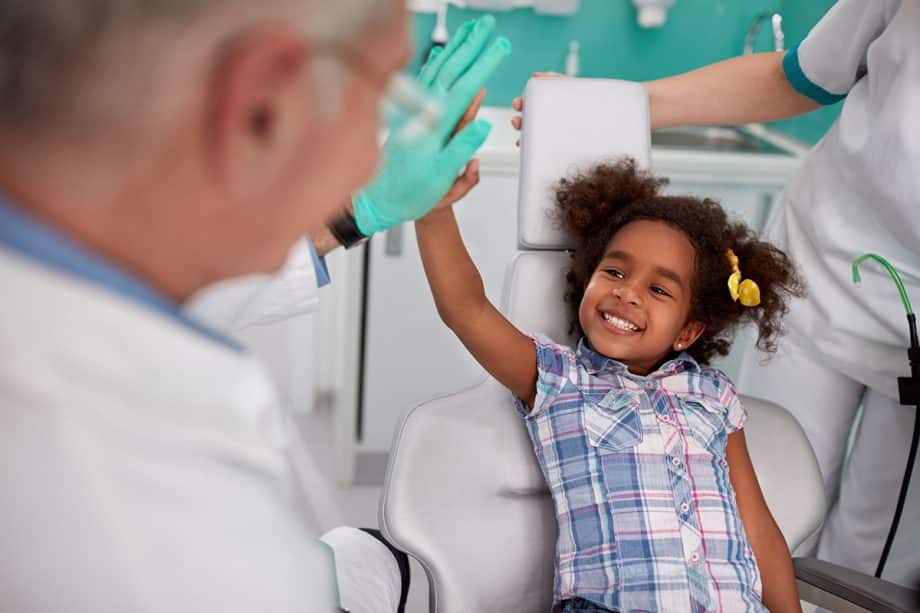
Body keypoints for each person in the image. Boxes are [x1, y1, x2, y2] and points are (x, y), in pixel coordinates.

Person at [0, 0, 509, 610]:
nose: (379, 152)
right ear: (262, 111)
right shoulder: (153, 551)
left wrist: (357, 214)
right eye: (384, 101)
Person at [512, 0, 920, 586]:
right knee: (771, 500)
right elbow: (794, 78)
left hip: (911, 326)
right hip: (820, 273)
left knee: (876, 551)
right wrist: (604, 108)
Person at [414, 156, 804, 611]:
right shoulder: (558, 379)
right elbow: (466, 308)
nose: (627, 291)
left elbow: (757, 529)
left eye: (660, 290)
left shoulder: (713, 396)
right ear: (586, 280)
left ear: (687, 332)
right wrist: (433, 210)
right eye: (614, 272)